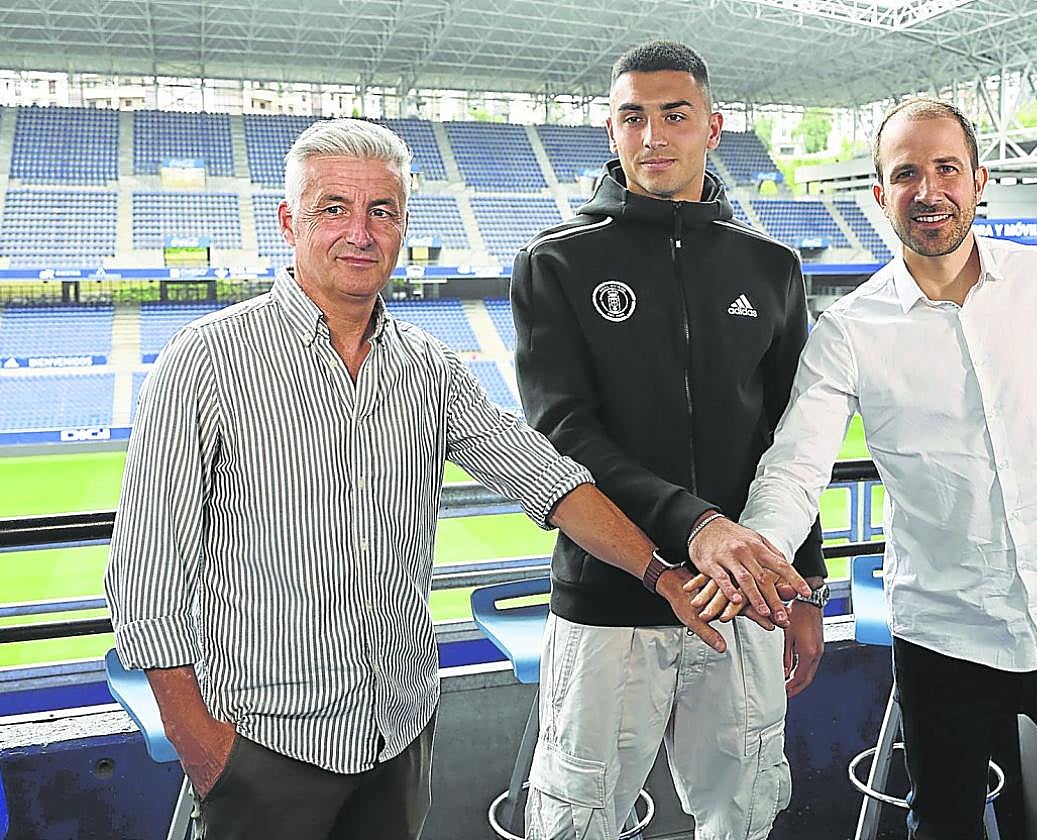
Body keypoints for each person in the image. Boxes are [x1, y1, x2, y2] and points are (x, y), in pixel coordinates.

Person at [104, 117, 730, 840]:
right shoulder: (206, 361)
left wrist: (661, 573)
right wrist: (205, 747)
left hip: (398, 740)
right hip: (263, 747)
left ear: (403, 226)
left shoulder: (428, 367)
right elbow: (145, 569)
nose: (360, 233)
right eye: (333, 208)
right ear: (288, 222)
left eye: (382, 212)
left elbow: (551, 481)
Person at [696, 98, 1037, 839]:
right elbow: (795, 467)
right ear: (881, 195)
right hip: (943, 632)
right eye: (906, 173)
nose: (929, 189)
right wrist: (755, 555)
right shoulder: (849, 331)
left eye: (946, 168)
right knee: (943, 823)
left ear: (979, 181)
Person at [511, 41, 828, 840]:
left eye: (674, 115)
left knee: (744, 815)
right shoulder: (556, 262)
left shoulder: (773, 267)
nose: (653, 135)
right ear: (612, 134)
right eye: (633, 117)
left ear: (713, 127)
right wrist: (694, 524)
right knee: (579, 822)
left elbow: (791, 439)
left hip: (744, 602)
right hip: (609, 600)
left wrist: (807, 585)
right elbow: (563, 430)